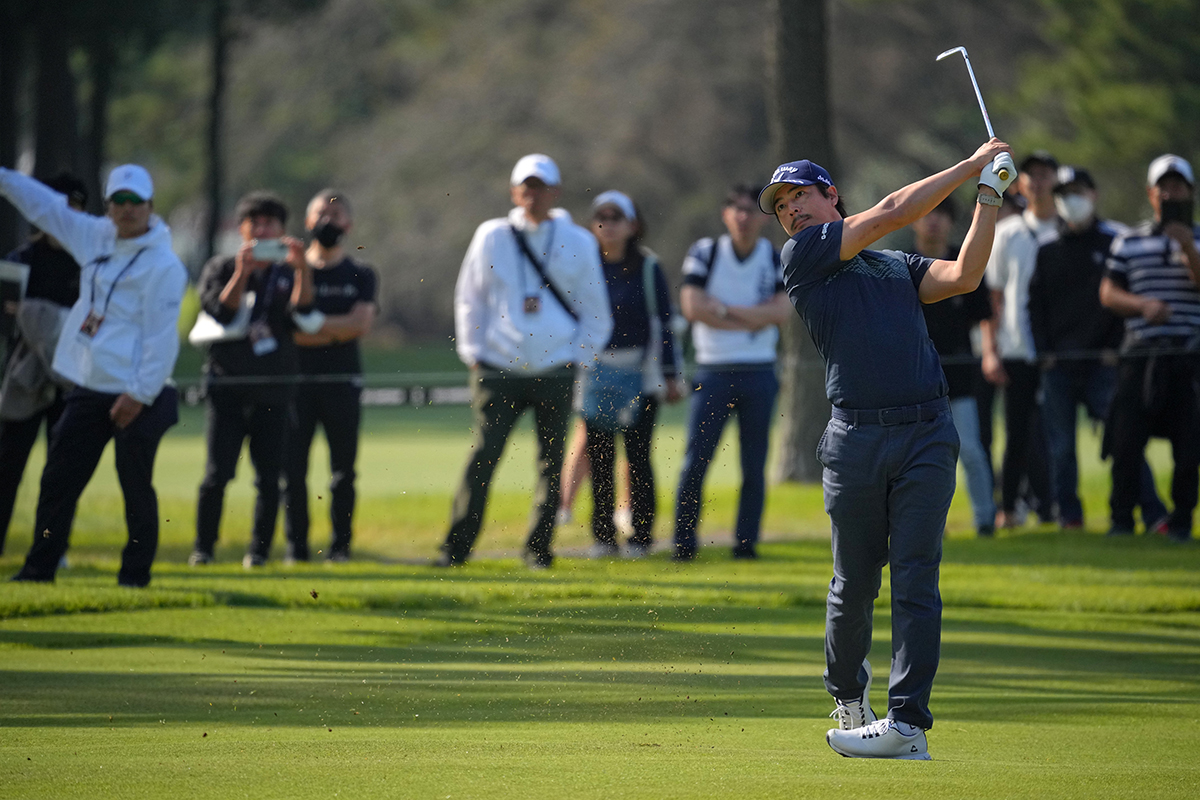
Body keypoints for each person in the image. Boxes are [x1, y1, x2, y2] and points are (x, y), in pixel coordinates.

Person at [759, 139, 1017, 759]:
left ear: (830, 197)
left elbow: (964, 276)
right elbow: (894, 210)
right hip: (855, 438)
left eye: (801, 195)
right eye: (782, 205)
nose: (791, 210)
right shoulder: (805, 257)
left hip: (927, 431)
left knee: (917, 578)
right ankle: (849, 695)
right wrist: (968, 165)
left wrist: (988, 197)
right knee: (853, 582)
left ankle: (908, 724)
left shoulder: (893, 266)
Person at [1, 163, 187, 586]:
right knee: (59, 480)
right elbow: (44, 206)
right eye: (118, 201)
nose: (126, 210)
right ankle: (39, 569)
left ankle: (134, 577)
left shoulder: (164, 266)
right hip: (91, 386)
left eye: (135, 202)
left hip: (142, 393)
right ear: (108, 206)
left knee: (135, 485)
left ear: (150, 207)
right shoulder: (95, 237)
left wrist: (137, 394)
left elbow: (162, 341)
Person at [438, 154, 611, 568]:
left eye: (540, 187)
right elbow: (469, 298)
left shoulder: (579, 241)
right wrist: (473, 353)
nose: (532, 195)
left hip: (556, 368)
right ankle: (455, 549)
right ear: (514, 192)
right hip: (498, 367)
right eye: (525, 188)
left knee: (552, 464)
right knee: (483, 457)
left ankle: (538, 550)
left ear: (555, 192)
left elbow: (596, 310)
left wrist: (578, 359)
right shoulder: (491, 235)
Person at [1028, 166, 1167, 531]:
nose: (1068, 200)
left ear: (1093, 194)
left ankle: (1152, 513)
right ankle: (1069, 516)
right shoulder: (1047, 250)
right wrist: (1044, 353)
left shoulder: (1115, 241)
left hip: (1104, 363)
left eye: (1076, 191)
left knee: (1125, 439)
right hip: (1059, 364)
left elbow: (1124, 298)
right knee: (1061, 448)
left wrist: (1114, 349)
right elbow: (1036, 306)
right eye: (1062, 194)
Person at [190, 192, 316, 568]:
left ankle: (258, 552)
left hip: (275, 389)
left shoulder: (290, 270)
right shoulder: (221, 266)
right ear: (243, 229)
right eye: (255, 223)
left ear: (282, 231)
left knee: (268, 479)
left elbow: (304, 314)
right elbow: (221, 313)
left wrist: (302, 271)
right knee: (217, 474)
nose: (262, 230)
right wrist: (243, 273)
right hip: (227, 387)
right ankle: (204, 549)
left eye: (270, 224)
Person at [673, 185, 791, 561]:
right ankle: (683, 542)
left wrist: (722, 310)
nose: (744, 217)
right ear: (726, 214)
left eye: (751, 210)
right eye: (737, 209)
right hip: (713, 372)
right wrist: (752, 317)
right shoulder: (706, 253)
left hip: (759, 372)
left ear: (762, 218)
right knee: (697, 460)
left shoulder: (772, 258)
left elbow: (782, 313)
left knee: (754, 465)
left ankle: (746, 544)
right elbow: (692, 306)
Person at [1100, 154, 1200, 542]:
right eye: (1165, 187)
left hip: (1188, 356)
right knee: (1126, 442)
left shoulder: (1197, 238)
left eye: (1178, 187)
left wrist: (1188, 247)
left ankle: (1180, 523)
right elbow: (1108, 292)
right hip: (1141, 354)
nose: (1171, 193)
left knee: (1189, 447)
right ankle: (1122, 520)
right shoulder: (1129, 240)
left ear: (1190, 193)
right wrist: (1143, 306)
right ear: (1151, 193)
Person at [580, 190, 683, 558]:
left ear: (633, 224)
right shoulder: (584, 264)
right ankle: (603, 537)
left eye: (616, 217)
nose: (608, 225)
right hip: (594, 371)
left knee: (638, 454)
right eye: (601, 217)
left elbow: (664, 322)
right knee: (600, 456)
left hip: (641, 370)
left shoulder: (648, 267)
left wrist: (672, 374)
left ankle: (641, 537)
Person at [281, 189, 377, 563]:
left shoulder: (361, 274)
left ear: (348, 225)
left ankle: (340, 548)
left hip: (343, 385)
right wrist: (333, 328)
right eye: (322, 213)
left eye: (337, 215)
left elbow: (360, 324)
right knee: (293, 473)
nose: (328, 221)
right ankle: (296, 549)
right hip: (295, 385)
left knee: (343, 475)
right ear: (307, 221)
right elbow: (287, 329)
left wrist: (313, 326)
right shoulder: (289, 271)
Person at [0, 174, 86, 554]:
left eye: (73, 207)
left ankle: (53, 550)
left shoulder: (90, 265)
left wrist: (34, 315)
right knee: (7, 468)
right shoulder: (19, 260)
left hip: (71, 380)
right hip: (23, 378)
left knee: (61, 472)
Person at [911, 197, 997, 537]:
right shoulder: (901, 263)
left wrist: (990, 353)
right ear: (915, 220)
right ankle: (928, 524)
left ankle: (986, 520)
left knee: (972, 451)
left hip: (960, 373)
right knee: (920, 458)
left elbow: (985, 317)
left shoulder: (966, 260)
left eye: (942, 215)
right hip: (915, 376)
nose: (934, 221)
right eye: (927, 213)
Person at [984, 151, 1058, 528]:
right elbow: (993, 296)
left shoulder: (1068, 231)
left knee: (1058, 435)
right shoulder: (1007, 233)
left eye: (1046, 174)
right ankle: (1009, 507)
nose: (1039, 181)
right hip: (1016, 347)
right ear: (1021, 182)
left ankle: (1057, 507)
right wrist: (991, 350)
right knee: (1017, 435)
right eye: (1032, 175)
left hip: (1061, 352)